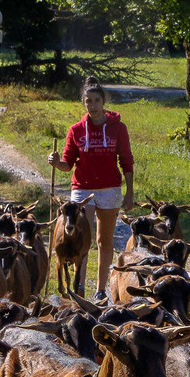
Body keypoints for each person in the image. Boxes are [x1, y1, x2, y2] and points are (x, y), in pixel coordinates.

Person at [52, 79, 135, 301]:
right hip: (82, 188)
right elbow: (67, 164)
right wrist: (57, 162)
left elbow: (126, 160)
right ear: (83, 102)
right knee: (79, 237)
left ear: (104, 101)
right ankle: (79, 287)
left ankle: (100, 290)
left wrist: (129, 192)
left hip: (109, 188)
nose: (93, 105)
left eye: (97, 100)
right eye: (89, 101)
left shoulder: (118, 128)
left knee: (104, 242)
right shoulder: (76, 130)